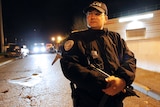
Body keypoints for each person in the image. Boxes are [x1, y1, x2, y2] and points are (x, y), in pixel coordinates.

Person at [60, 1, 137, 107]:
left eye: (97, 14)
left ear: (106, 18)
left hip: (115, 102)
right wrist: (105, 82)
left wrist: (122, 80)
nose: (92, 16)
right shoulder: (76, 39)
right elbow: (69, 66)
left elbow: (129, 59)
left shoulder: (115, 38)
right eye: (89, 14)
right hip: (87, 101)